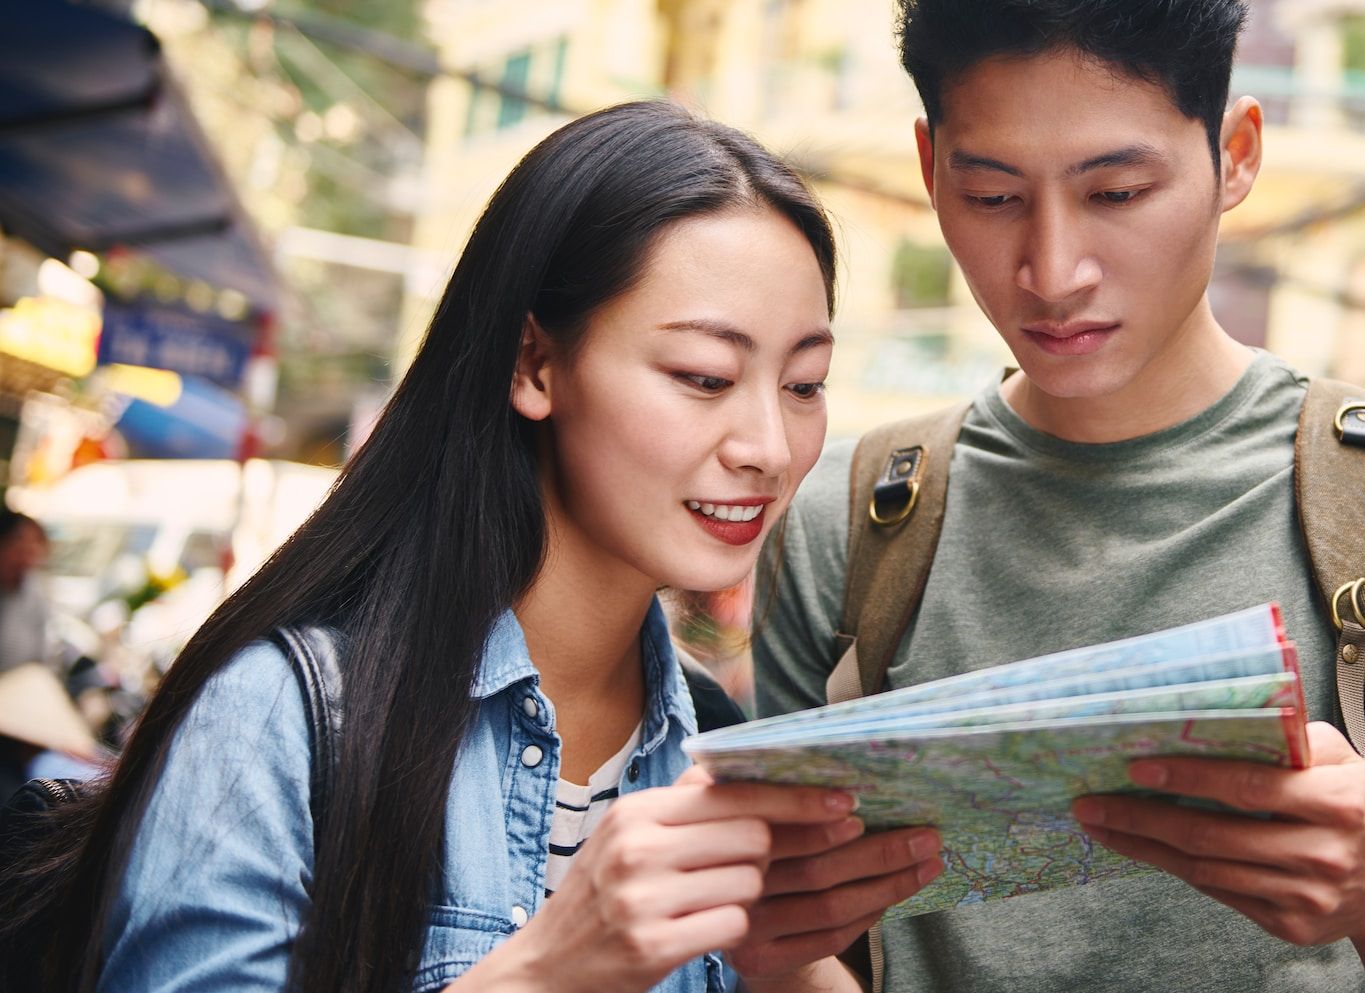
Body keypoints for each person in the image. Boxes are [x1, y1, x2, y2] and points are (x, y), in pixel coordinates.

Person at [754, 0, 1365, 992]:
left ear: (1237, 155)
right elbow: (808, 960)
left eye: (1117, 193)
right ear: (929, 170)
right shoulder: (850, 531)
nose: (1052, 270)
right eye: (993, 195)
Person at [0, 102, 941, 993]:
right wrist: (547, 967)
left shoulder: (721, 757)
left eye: (805, 384)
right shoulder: (282, 716)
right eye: (705, 376)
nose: (769, 447)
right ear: (534, 363)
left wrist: (789, 971)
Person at [0, 510, 52, 672]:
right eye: (20, 545)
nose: (28, 556)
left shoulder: (33, 593)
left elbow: (41, 655)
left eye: (35, 547)